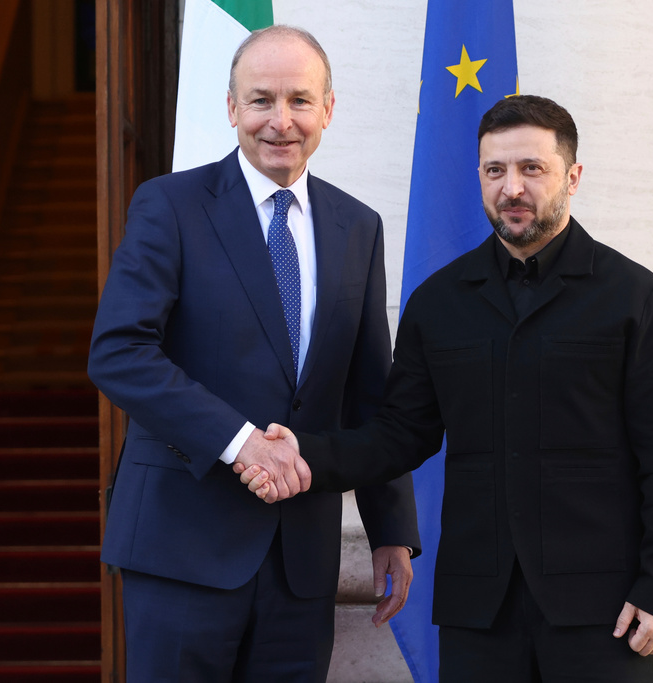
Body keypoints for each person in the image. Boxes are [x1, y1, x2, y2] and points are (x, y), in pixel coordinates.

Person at [240, 95, 653, 682]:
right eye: (495, 170)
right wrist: (301, 453)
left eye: (532, 169)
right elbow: (398, 436)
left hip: (602, 611)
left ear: (573, 176)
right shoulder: (439, 303)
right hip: (477, 612)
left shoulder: (636, 299)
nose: (512, 188)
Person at [88, 25, 420, 682]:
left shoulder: (358, 226)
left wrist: (390, 527)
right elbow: (119, 351)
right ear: (233, 108)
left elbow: (369, 392)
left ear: (328, 109)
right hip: (183, 546)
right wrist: (241, 441)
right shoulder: (170, 205)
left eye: (299, 100)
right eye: (261, 100)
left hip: (300, 561)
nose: (281, 120)